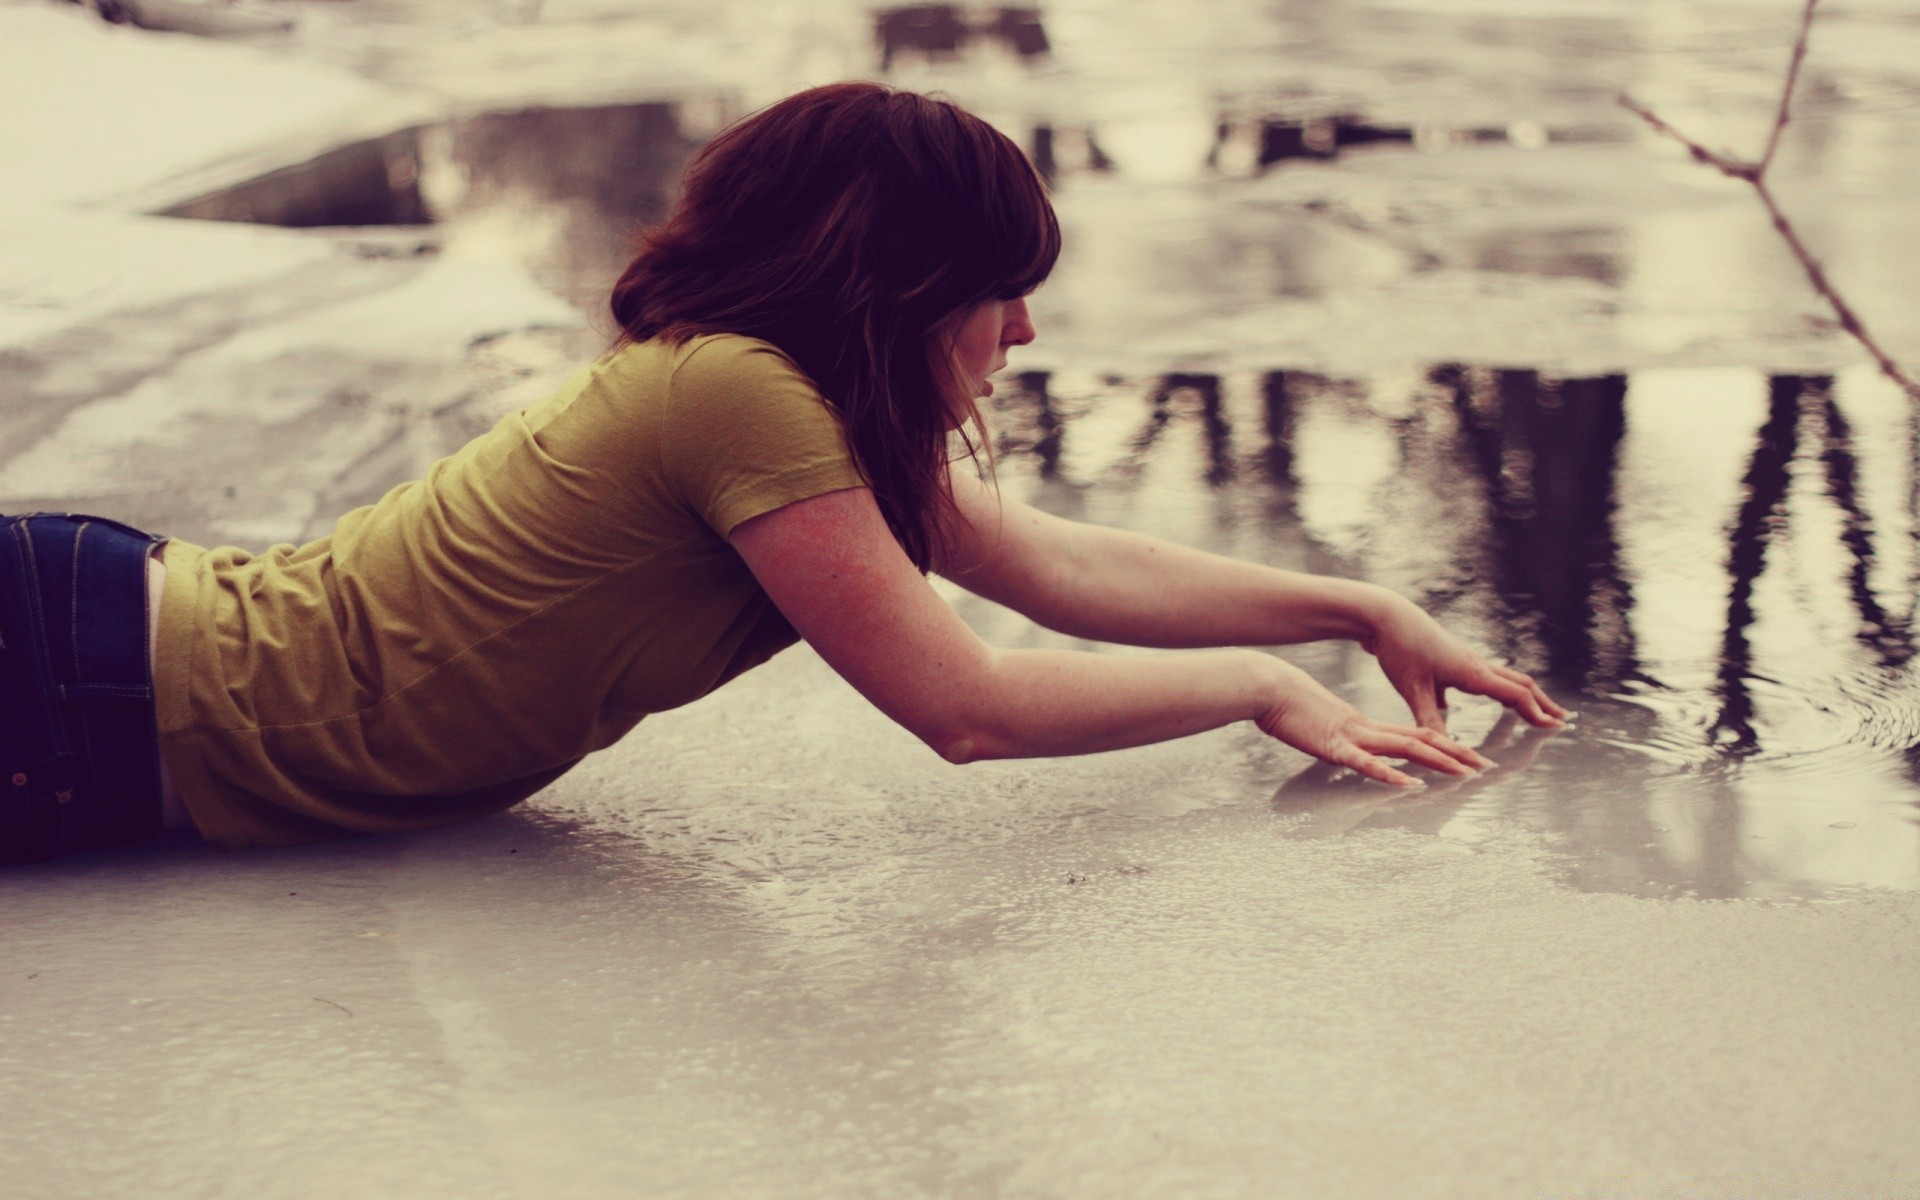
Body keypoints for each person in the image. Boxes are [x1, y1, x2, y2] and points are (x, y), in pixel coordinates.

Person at [0, 82, 1566, 866]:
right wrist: (1259, 688)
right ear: (894, 280)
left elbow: (1061, 566)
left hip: (107, 672)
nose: (1023, 326)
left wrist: (1357, 609)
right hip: (86, 686)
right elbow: (967, 707)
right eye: (997, 286)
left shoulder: (784, 407)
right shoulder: (738, 397)